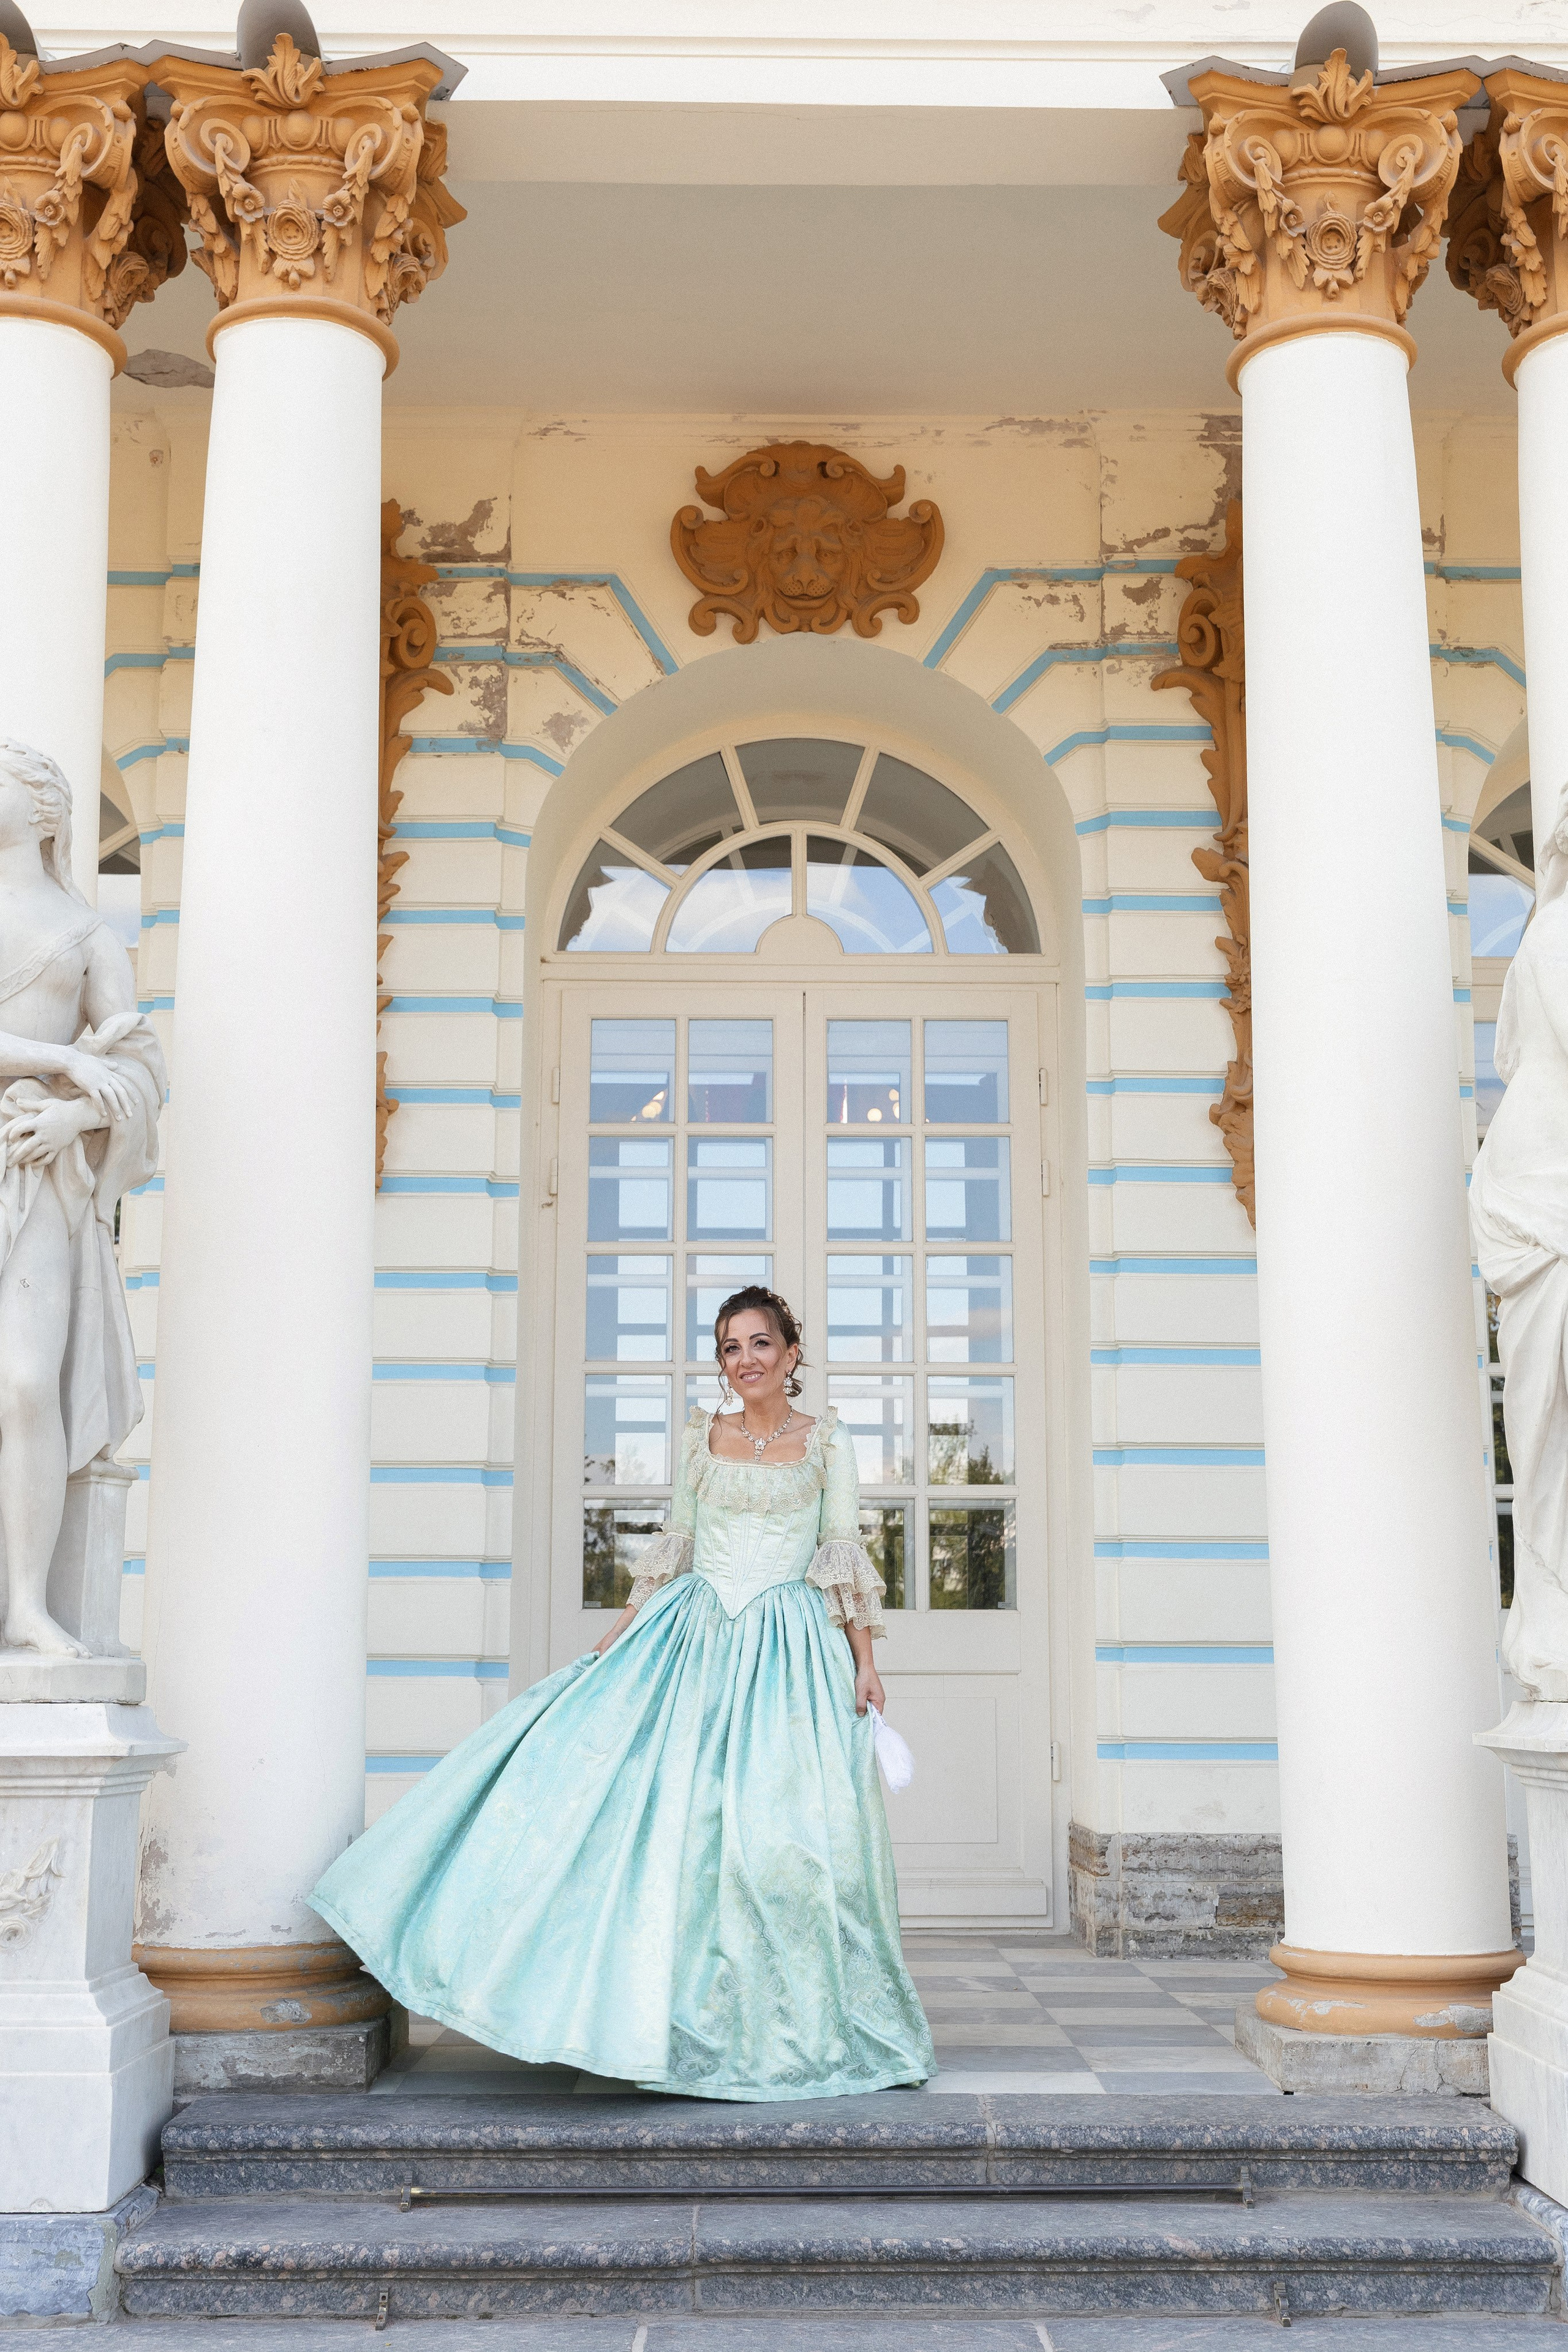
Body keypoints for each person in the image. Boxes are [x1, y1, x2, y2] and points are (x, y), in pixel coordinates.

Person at [312, 1284, 934, 2100]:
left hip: (789, 1650)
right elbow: (675, 1544)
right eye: (728, 1348)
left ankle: (784, 2027)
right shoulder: (700, 1437)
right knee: (663, 1827)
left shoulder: (828, 1444)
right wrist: (620, 1634)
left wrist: (865, 1662)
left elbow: (841, 1551)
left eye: (758, 1344)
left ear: (790, 1355)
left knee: (781, 1843)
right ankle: (650, 2022)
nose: (743, 1361)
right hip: (693, 1637)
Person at [0, 739, 165, 1658]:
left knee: (25, 1384)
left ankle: (26, 1604)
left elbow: (137, 1062)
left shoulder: (88, 933)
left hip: (40, 1174)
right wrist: (64, 1061)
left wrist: (73, 1122)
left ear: (46, 812)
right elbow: (91, 1053)